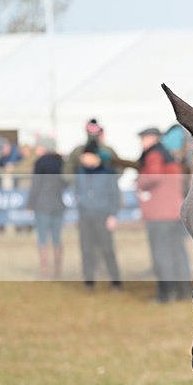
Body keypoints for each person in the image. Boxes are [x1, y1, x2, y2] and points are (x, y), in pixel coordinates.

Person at [135, 126, 191, 302]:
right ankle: (184, 291)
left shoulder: (154, 155)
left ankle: (166, 294)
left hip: (160, 214)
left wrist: (139, 181)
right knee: (178, 253)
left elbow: (153, 177)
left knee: (162, 255)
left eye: (144, 138)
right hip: (174, 212)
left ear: (152, 138)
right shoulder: (170, 154)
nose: (141, 141)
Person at [66, 120, 122, 291]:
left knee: (107, 250)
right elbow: (70, 179)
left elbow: (115, 193)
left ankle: (116, 282)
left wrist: (112, 214)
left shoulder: (107, 171)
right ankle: (89, 282)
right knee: (86, 250)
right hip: (85, 216)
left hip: (103, 215)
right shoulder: (80, 171)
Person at [25, 136, 66, 278]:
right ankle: (58, 270)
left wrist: (30, 204)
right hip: (58, 204)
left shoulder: (39, 162)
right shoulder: (61, 162)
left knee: (42, 238)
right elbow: (66, 182)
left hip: (42, 205)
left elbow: (35, 184)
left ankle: (44, 270)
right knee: (57, 238)